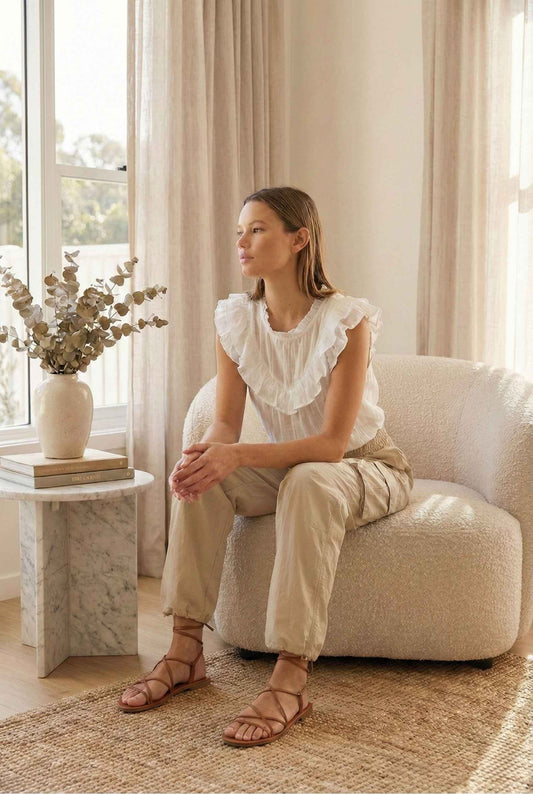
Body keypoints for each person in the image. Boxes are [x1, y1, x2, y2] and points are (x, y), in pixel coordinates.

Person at [117, 186, 414, 747]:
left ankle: (291, 678)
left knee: (306, 480)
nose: (242, 243)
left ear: (299, 238)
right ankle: (184, 653)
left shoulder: (348, 321)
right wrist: (206, 454)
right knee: (208, 477)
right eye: (239, 232)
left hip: (365, 465)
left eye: (257, 229)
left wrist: (237, 454)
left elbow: (329, 445)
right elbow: (226, 423)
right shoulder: (237, 320)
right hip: (296, 467)